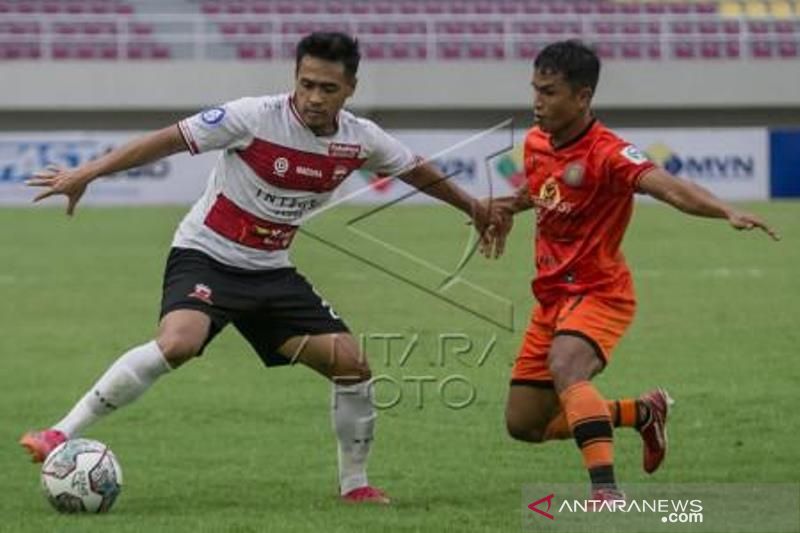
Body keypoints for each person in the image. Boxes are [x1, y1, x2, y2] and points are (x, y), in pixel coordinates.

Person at [20, 32, 490, 505]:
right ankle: (60, 433)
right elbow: (167, 141)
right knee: (178, 343)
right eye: (306, 84)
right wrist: (88, 172)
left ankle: (355, 486)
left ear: (350, 88)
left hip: (270, 271)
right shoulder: (253, 117)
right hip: (206, 255)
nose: (313, 98)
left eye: (327, 88)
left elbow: (415, 169)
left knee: (353, 367)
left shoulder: (359, 139)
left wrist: (472, 207)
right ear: (294, 79)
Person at [482, 40, 780, 502]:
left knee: (567, 368)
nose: (537, 102)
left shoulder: (610, 153)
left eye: (550, 92)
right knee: (525, 424)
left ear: (582, 97)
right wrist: (503, 208)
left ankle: (607, 495)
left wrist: (725, 210)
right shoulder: (536, 143)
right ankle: (642, 412)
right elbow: (540, 192)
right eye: (535, 89)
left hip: (600, 292)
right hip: (551, 299)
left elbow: (670, 187)